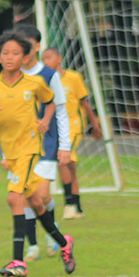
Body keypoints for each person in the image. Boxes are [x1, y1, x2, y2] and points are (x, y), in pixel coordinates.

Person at [0, 30, 77, 277]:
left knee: (13, 198)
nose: (10, 57)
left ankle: (18, 261)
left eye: (16, 53)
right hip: (10, 154)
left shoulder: (35, 83)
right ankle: (64, 243)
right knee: (36, 202)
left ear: (25, 58)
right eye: (5, 53)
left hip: (31, 150)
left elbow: (51, 101)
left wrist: (45, 120)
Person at [15, 25, 72, 261]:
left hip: (46, 144)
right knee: (26, 195)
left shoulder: (49, 75)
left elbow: (60, 111)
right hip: (19, 146)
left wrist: (65, 145)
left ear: (36, 46)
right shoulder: (12, 77)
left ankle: (52, 233)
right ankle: (33, 246)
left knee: (42, 193)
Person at [42, 47, 103, 219]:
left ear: (59, 58)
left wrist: (95, 125)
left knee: (63, 161)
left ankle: (69, 204)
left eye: (49, 58)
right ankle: (77, 206)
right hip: (55, 127)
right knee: (70, 168)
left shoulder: (73, 78)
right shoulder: (44, 80)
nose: (46, 62)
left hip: (74, 126)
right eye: (43, 59)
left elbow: (84, 102)